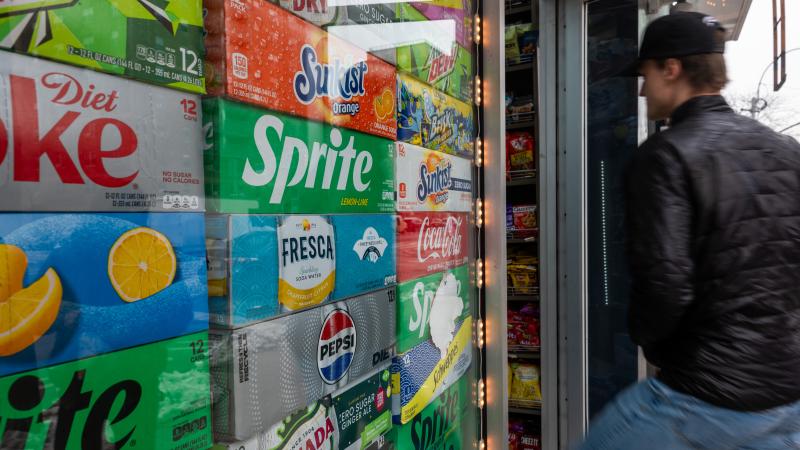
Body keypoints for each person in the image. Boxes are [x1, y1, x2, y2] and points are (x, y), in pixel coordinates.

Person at [581, 12, 800, 450]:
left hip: (706, 394)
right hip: (786, 395)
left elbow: (665, 285)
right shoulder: (785, 149)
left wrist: (650, 345)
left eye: (645, 74)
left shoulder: (666, 155)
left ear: (672, 68)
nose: (641, 90)